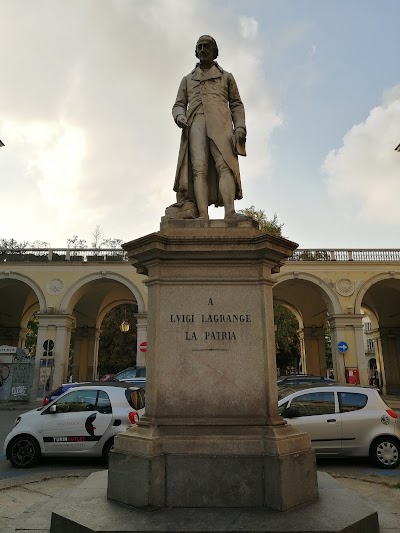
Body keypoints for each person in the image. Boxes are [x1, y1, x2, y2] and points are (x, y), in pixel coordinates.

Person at [172, 35, 248, 220]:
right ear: (196, 52)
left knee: (225, 166)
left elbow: (236, 104)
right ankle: (202, 215)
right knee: (199, 168)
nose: (203, 49)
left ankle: (230, 212)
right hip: (195, 121)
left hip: (221, 123)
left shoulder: (226, 77)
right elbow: (178, 104)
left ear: (215, 51)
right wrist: (179, 115)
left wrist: (240, 127)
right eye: (200, 47)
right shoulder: (187, 79)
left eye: (207, 46)